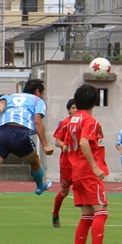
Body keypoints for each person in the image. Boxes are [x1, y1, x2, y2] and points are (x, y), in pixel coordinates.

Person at [0, 79, 54, 222]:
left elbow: (1, 105)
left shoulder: (9, 96)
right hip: (19, 134)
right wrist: (45, 145)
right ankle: (41, 186)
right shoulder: (37, 100)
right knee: (35, 161)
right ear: (37, 92)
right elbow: (37, 121)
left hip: (2, 133)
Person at [64, 84, 114, 244]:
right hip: (88, 173)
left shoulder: (72, 120)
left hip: (77, 172)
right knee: (102, 211)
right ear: (95, 101)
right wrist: (94, 166)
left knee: (87, 215)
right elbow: (84, 142)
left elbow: (68, 146)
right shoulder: (89, 121)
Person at [51, 98, 76, 228]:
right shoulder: (65, 123)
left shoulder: (83, 123)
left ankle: (88, 217)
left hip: (79, 164)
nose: (75, 110)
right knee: (64, 192)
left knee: (82, 189)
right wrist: (64, 146)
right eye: (73, 108)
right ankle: (55, 213)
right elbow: (57, 141)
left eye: (77, 108)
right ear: (69, 110)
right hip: (67, 164)